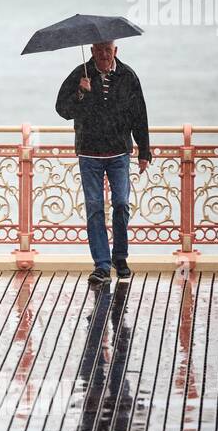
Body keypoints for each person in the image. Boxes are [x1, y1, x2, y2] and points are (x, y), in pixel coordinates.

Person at [54, 41, 152, 285]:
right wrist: (80, 93)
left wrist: (144, 151)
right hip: (89, 153)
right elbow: (62, 109)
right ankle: (101, 265)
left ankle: (120, 258)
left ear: (115, 51)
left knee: (121, 204)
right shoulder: (80, 74)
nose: (104, 55)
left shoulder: (128, 76)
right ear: (92, 52)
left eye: (108, 50)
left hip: (119, 152)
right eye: (99, 50)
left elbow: (139, 114)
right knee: (95, 208)